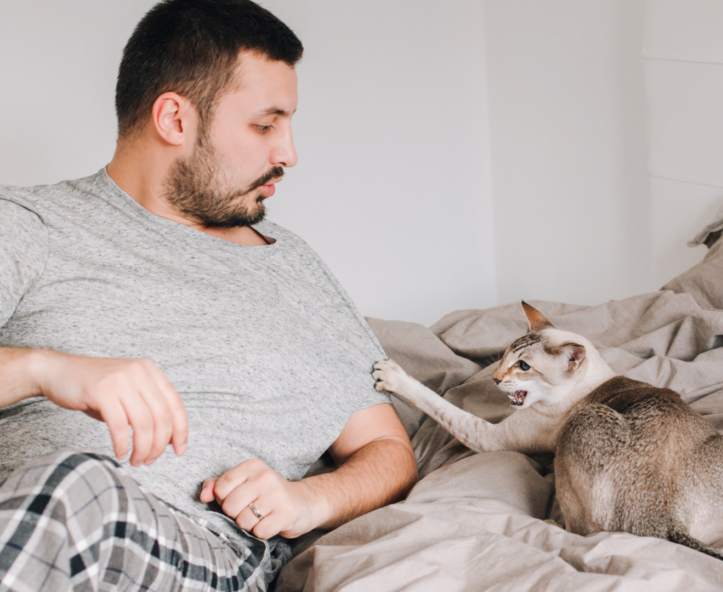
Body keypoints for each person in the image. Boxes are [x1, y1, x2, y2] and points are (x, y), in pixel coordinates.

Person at [0, 0, 418, 590]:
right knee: (68, 489)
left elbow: (387, 447)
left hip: (199, 547)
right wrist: (43, 369)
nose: (288, 153)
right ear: (174, 119)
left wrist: (307, 501)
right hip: (23, 521)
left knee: (75, 492)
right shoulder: (28, 226)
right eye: (265, 124)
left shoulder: (290, 265)